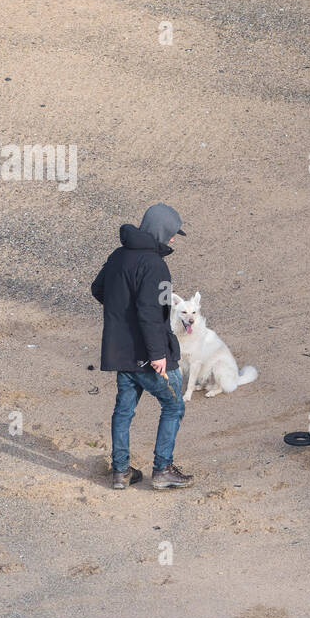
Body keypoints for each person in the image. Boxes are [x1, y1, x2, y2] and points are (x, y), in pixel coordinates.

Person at [91, 203, 194, 490]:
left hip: (119, 352)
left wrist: (121, 313)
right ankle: (163, 469)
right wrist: (158, 354)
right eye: (172, 234)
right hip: (148, 354)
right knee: (174, 406)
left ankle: (121, 471)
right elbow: (152, 313)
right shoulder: (155, 266)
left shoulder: (118, 256)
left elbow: (98, 290)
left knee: (124, 410)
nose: (173, 239)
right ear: (161, 231)